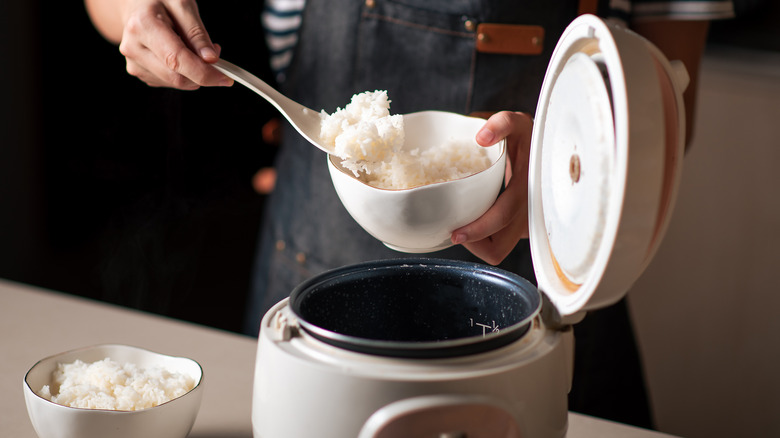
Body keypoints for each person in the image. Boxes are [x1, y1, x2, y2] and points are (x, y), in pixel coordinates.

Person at [85, 0, 733, 429]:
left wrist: (571, 154)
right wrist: (141, 14)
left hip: (540, 284)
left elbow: (668, 104)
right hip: (309, 262)